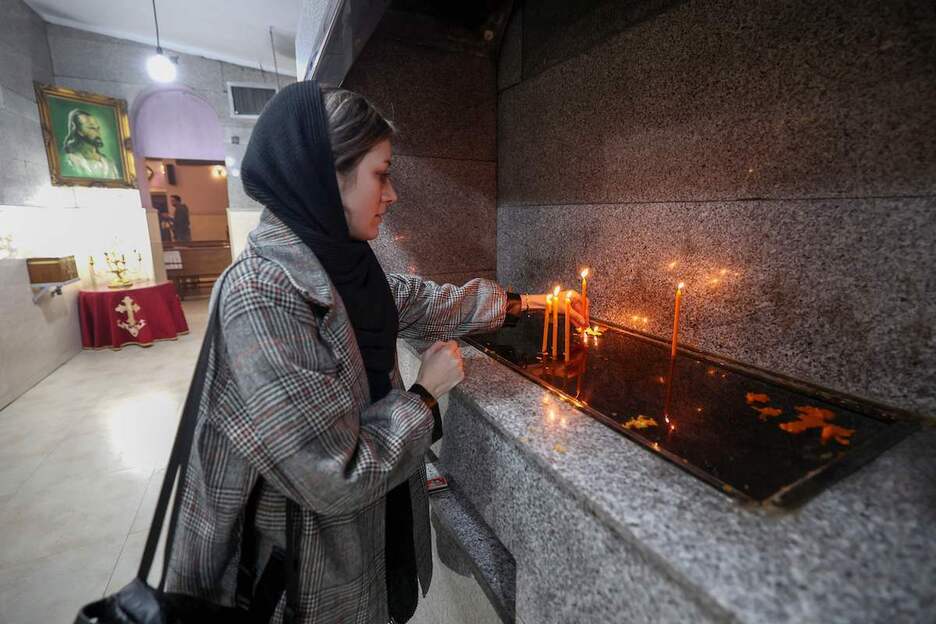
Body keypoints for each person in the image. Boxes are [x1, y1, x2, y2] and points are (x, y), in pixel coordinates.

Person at [165, 81, 587, 623]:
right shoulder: (262, 293)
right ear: (326, 175)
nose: (391, 195)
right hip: (300, 579)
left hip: (367, 541)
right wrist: (425, 396)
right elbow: (332, 475)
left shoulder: (341, 263)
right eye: (380, 175)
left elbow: (416, 300)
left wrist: (524, 303)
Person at [61, 109, 119, 179]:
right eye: (92, 128)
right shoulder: (71, 161)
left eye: (98, 128)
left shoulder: (109, 163)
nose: (98, 132)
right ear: (79, 131)